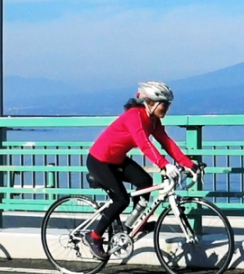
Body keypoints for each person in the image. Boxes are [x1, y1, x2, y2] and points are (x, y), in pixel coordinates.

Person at [83, 81, 200, 259]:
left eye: (168, 104)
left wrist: (188, 163)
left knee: (145, 181)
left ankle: (135, 223)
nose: (167, 108)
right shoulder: (134, 116)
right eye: (164, 104)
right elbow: (144, 144)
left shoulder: (154, 121)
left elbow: (166, 142)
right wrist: (164, 165)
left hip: (117, 159)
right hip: (99, 160)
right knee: (121, 200)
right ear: (150, 103)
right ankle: (94, 237)